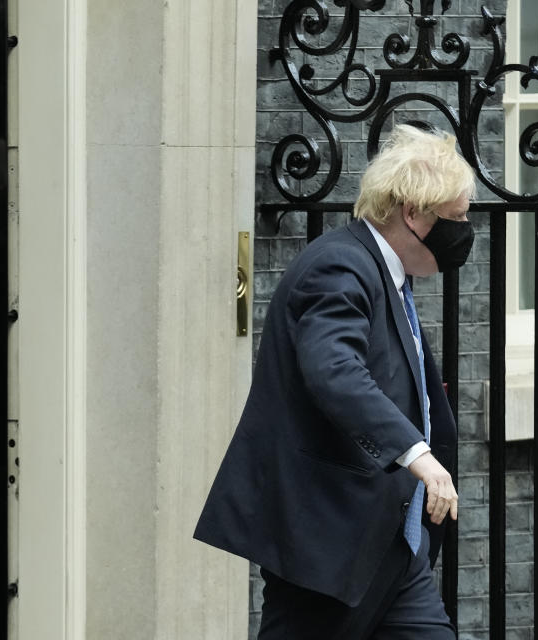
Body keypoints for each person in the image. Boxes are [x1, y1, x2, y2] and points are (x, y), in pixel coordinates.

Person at [194, 124, 475, 639]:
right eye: (456, 218)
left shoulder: (386, 272)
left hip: (388, 543)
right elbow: (335, 372)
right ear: (414, 214)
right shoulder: (340, 267)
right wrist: (418, 454)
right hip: (326, 544)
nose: (465, 231)